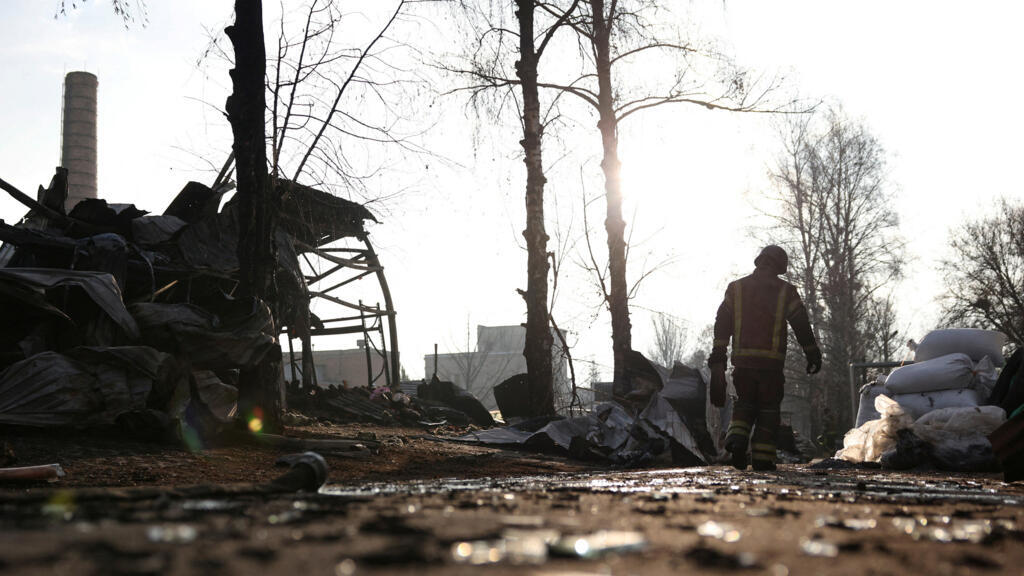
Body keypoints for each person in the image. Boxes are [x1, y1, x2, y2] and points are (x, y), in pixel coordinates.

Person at [708, 245, 822, 471]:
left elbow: (722, 322)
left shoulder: (736, 288)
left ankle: (736, 440)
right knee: (768, 410)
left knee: (745, 405)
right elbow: (800, 323)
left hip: (743, 364)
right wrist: (812, 352)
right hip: (771, 366)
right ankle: (761, 458)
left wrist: (719, 354)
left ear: (759, 261)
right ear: (780, 266)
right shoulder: (785, 291)